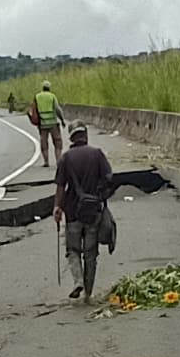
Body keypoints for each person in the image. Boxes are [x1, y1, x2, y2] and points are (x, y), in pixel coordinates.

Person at [55, 123, 115, 300]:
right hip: (93, 212)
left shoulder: (65, 158)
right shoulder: (97, 154)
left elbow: (60, 186)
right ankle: (88, 292)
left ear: (71, 137)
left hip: (72, 212)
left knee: (73, 250)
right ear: (85, 135)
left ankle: (78, 282)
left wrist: (57, 207)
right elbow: (109, 179)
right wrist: (101, 197)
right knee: (90, 254)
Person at [30, 81, 64, 166]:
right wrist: (62, 120)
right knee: (57, 142)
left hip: (42, 124)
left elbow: (34, 110)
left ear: (42, 87)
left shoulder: (37, 97)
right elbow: (57, 109)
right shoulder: (52, 96)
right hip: (53, 123)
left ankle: (46, 161)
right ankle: (58, 160)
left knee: (44, 142)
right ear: (49, 88)